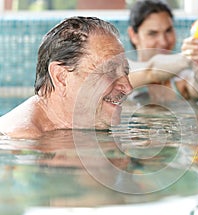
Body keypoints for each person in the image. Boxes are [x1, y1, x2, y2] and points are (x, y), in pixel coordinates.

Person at [0, 16, 132, 138]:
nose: (128, 88)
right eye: (109, 71)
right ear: (61, 77)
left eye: (126, 72)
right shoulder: (23, 139)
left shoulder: (70, 127)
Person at [127, 0, 198, 101]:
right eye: (152, 33)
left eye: (168, 30)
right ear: (133, 35)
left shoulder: (182, 79)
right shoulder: (121, 71)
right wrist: (186, 58)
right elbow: (151, 70)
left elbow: (195, 93)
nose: (163, 42)